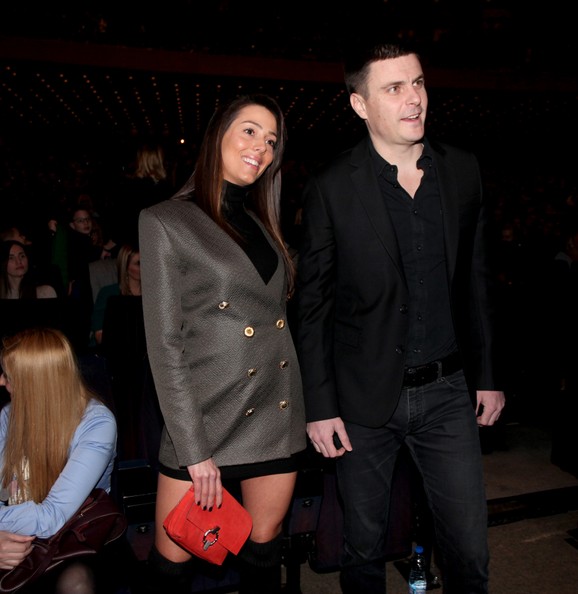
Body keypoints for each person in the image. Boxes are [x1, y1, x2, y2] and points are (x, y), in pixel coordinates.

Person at [295, 40, 505, 594]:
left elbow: (477, 284)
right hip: (363, 400)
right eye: (394, 88)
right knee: (363, 548)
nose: (414, 98)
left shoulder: (462, 171)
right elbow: (312, 308)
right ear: (360, 104)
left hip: (448, 392)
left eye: (418, 83)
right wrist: (320, 407)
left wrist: (487, 375)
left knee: (469, 550)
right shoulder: (331, 187)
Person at [138, 94, 305, 594]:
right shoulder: (165, 220)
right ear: (218, 135)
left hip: (274, 410)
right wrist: (194, 451)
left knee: (263, 554)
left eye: (271, 140)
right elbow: (164, 346)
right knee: (172, 564)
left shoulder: (264, 222)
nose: (261, 147)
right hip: (204, 417)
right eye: (250, 130)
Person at [0, 327, 118, 593]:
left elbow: (52, 517)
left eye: (9, 376)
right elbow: (1, 489)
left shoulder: (96, 424)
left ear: (35, 383)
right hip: (16, 528)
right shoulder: (8, 415)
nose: (1, 382)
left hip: (75, 536)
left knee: (77, 582)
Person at [91, 243, 142, 346]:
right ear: (125, 267)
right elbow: (100, 336)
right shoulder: (108, 294)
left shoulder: (155, 294)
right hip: (117, 348)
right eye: (139, 263)